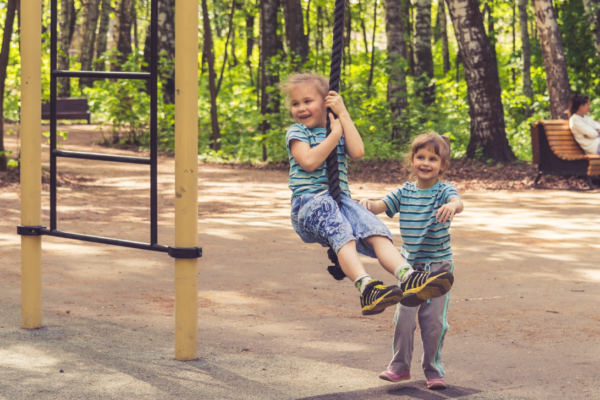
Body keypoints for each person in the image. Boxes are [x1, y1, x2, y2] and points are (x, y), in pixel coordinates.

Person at [280, 71, 454, 316]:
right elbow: (308, 162)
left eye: (308, 101)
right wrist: (335, 136)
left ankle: (408, 277)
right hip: (309, 204)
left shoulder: (336, 127)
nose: (301, 108)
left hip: (339, 202)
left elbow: (358, 151)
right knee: (343, 234)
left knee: (375, 230)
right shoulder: (298, 132)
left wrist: (343, 115)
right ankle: (366, 286)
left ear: (327, 102)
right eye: (295, 104)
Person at [359, 133, 463, 390]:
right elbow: (379, 205)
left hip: (438, 269)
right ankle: (399, 367)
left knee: (433, 322)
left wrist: (453, 206)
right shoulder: (404, 191)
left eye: (432, 158)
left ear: (442, 165)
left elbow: (457, 202)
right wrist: (364, 204)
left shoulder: (443, 191)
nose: (425, 163)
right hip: (409, 269)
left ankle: (433, 370)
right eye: (420, 157)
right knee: (403, 318)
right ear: (412, 160)